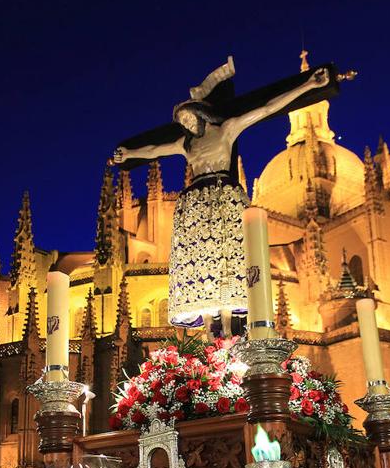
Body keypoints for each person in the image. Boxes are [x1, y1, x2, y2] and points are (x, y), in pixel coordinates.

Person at [112, 57, 333, 329]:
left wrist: (308, 85)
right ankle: (208, 328)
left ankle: (228, 326)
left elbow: (266, 108)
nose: (186, 125)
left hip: (223, 196)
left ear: (201, 114)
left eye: (188, 118)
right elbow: (155, 150)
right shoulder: (187, 145)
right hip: (196, 204)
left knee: (227, 258)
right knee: (201, 265)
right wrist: (129, 154)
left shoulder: (227, 130)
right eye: (183, 122)